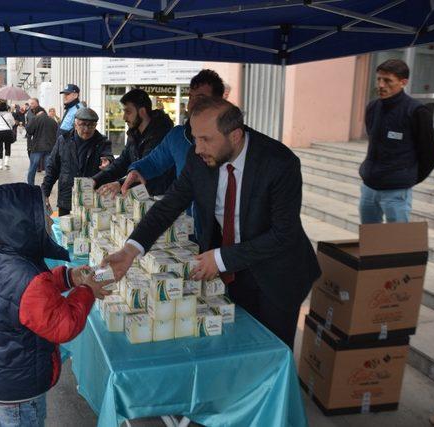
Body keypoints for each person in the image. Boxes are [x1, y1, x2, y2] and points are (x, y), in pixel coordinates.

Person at [103, 97, 321, 349]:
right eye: (195, 138)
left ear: (236, 136)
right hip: (233, 271)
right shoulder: (199, 159)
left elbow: (283, 234)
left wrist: (219, 259)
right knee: (232, 344)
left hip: (277, 273)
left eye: (206, 139)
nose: (197, 148)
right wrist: (130, 250)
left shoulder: (280, 163)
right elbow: (169, 205)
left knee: (270, 352)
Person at [0, 183, 112, 427]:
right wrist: (87, 290)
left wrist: (70, 277)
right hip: (19, 387)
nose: (50, 217)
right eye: (44, 211)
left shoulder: (7, 256)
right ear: (23, 224)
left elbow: (37, 291)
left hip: (4, 373)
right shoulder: (26, 277)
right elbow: (65, 324)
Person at [121, 70, 227, 235]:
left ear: (219, 102)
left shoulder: (230, 140)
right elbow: (154, 162)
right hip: (187, 231)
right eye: (190, 97)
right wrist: (136, 170)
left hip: (223, 234)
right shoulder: (178, 136)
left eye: (199, 98)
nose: (192, 104)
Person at [359, 59, 434, 224]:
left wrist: (407, 178)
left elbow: (432, 154)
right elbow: (373, 139)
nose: (381, 85)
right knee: (370, 241)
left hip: (396, 192)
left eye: (388, 80)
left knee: (396, 244)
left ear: (403, 82)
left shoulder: (416, 111)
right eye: (379, 79)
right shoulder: (373, 107)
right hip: (369, 187)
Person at [93, 88, 174, 197]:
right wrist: (96, 180)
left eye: (128, 112)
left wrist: (119, 184)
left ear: (142, 112)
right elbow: (122, 162)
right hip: (141, 197)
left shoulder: (161, 134)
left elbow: (149, 171)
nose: (124, 117)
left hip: (160, 199)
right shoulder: (134, 134)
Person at [41, 107, 113, 216]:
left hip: (91, 197)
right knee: (65, 229)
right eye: (83, 124)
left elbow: (108, 157)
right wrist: (44, 193)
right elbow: (52, 168)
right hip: (67, 197)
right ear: (75, 124)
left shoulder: (102, 142)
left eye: (91, 125)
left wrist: (108, 162)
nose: (86, 129)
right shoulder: (63, 140)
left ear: (96, 126)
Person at [25, 109, 58, 185]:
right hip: (50, 147)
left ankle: (30, 185)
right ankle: (46, 186)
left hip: (37, 147)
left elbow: (29, 130)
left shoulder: (36, 119)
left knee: (32, 168)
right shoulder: (53, 121)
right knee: (48, 168)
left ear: (38, 113)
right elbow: (57, 132)